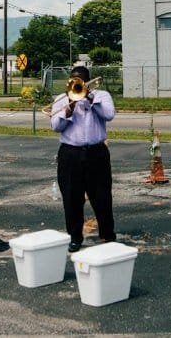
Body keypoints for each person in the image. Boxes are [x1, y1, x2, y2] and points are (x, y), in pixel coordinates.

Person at [50, 65, 117, 253]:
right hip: (70, 153)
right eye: (73, 80)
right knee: (72, 198)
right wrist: (68, 110)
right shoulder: (62, 99)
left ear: (87, 81)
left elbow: (109, 115)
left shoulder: (102, 96)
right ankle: (75, 237)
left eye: (79, 80)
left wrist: (90, 98)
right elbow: (55, 126)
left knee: (102, 196)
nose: (75, 83)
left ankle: (108, 234)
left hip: (97, 153)